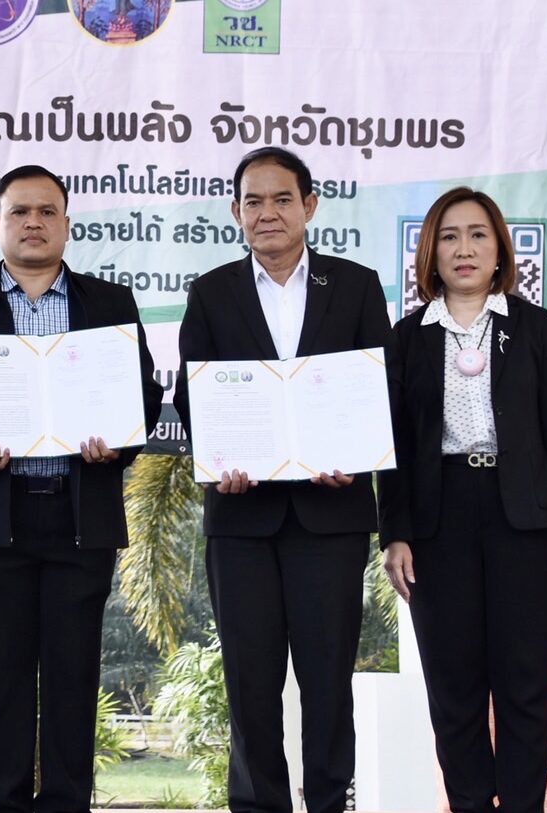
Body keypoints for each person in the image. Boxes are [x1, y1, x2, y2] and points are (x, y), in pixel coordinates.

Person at [0, 164, 160, 812]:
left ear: (66, 224)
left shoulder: (109, 303)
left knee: (73, 676)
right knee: (2, 678)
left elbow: (142, 395)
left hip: (81, 516)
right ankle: (4, 803)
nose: (33, 222)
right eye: (19, 211)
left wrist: (117, 444)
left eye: (47, 211)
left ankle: (67, 803)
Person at [171, 147, 390, 813]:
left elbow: (379, 389)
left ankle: (329, 803)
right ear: (235, 212)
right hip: (242, 518)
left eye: (282, 199)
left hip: (331, 515)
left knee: (328, 684)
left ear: (309, 206)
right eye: (253, 201)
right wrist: (220, 458)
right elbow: (193, 395)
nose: (268, 212)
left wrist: (354, 454)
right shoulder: (212, 292)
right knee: (250, 686)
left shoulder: (355, 286)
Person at [379, 187, 547, 813]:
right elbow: (393, 444)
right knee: (454, 692)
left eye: (477, 235)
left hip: (525, 522)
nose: (463, 249)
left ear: (499, 248)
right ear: (431, 252)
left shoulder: (535, 327)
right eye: (449, 237)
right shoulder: (407, 337)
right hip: (438, 523)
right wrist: (394, 533)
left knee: (526, 692)